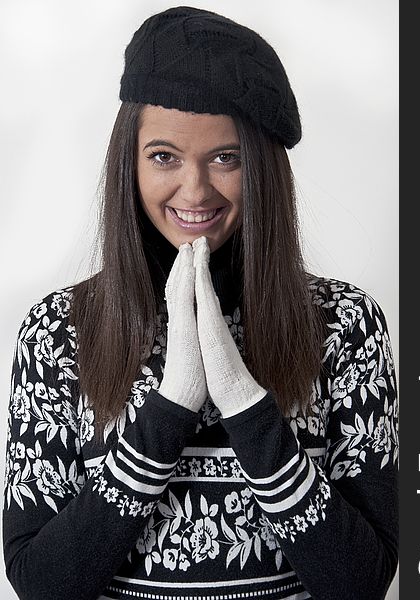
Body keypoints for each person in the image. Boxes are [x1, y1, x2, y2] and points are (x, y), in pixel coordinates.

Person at [2, 6, 398, 600]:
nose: (195, 190)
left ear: (262, 168)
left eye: (226, 158)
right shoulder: (59, 331)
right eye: (164, 156)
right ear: (129, 164)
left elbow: (362, 583)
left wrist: (247, 407)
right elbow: (41, 584)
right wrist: (169, 408)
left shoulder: (344, 326)